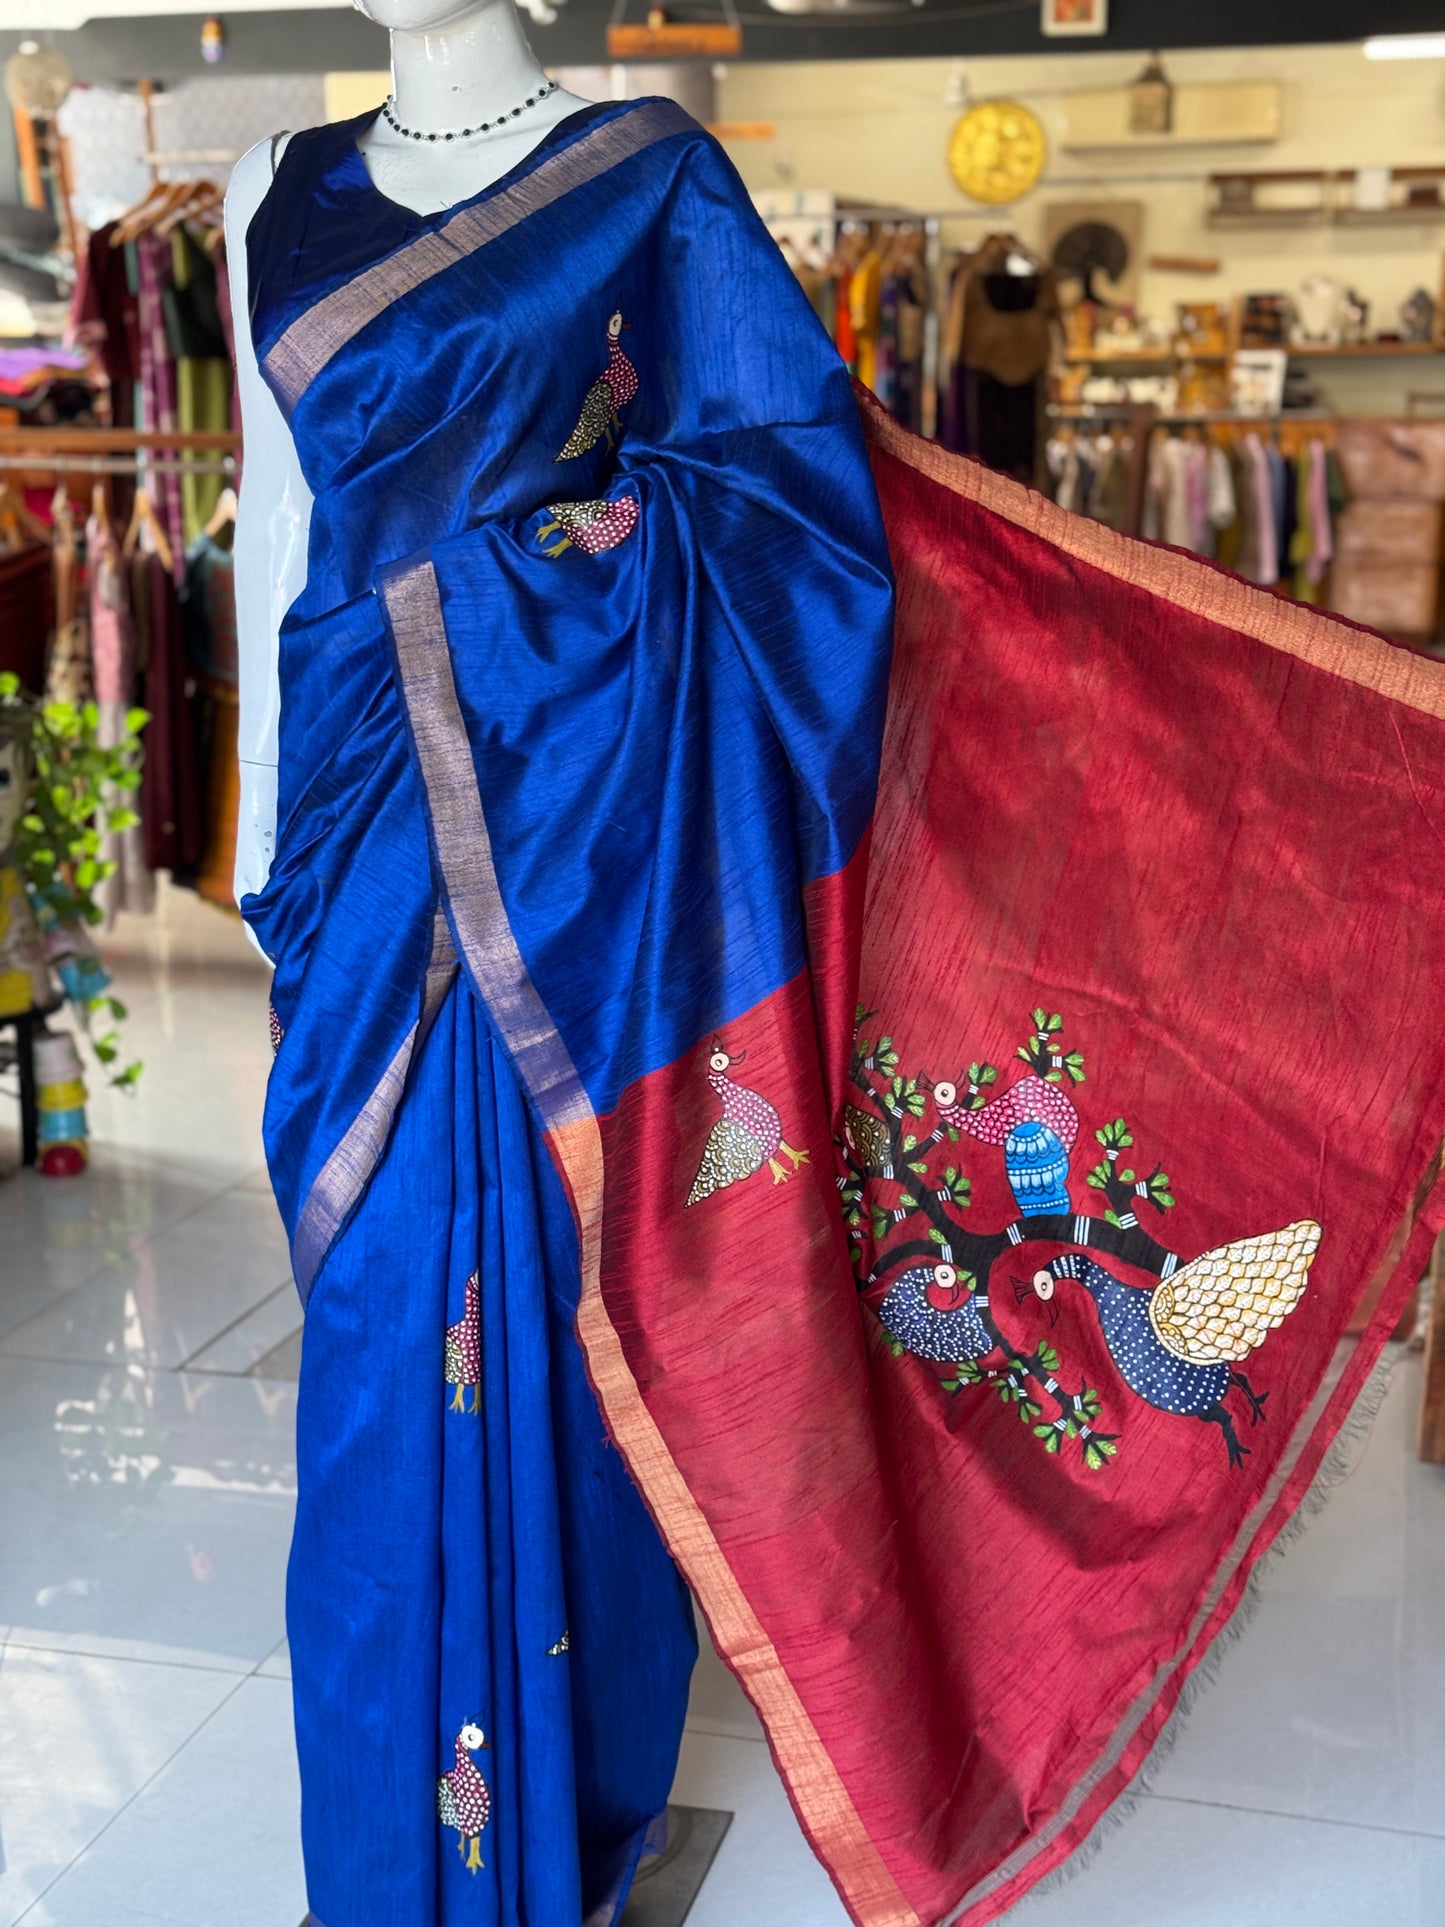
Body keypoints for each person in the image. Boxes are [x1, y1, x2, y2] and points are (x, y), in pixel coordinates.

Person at [227, 10, 1445, 1924]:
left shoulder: (647, 177)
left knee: (592, 1344)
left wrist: (513, 586)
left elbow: (788, 500)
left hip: (588, 870)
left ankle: (575, 1829)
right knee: (380, 1364)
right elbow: (276, 530)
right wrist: (266, 843)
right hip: (366, 849)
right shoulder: (272, 191)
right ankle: (385, 1874)